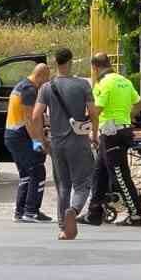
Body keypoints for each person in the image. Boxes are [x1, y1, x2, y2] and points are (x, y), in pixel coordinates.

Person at [31, 47, 99, 240]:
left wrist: (42, 139)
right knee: (83, 182)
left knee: (63, 185)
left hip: (57, 142)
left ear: (56, 63)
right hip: (78, 141)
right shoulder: (83, 85)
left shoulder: (47, 87)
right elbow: (93, 113)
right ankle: (74, 209)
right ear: (70, 61)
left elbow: (36, 115)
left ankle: (63, 227)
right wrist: (94, 134)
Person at [90, 53, 141, 226]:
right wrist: (127, 117)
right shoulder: (124, 81)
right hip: (123, 129)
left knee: (120, 175)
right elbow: (139, 104)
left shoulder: (103, 83)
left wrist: (91, 131)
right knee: (99, 172)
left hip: (110, 133)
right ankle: (94, 212)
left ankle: (135, 214)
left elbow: (96, 111)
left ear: (95, 68)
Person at [3, 62, 52, 223]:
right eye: (47, 78)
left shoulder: (22, 85)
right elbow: (30, 120)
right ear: (41, 75)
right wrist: (39, 143)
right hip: (21, 137)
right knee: (37, 170)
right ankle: (31, 211)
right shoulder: (30, 90)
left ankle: (21, 211)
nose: (47, 83)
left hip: (13, 136)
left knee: (26, 174)